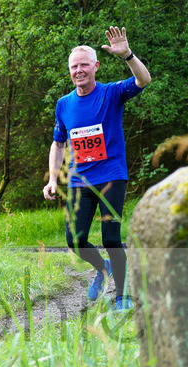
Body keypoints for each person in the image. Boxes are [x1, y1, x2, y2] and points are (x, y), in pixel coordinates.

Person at [43, 27, 151, 311]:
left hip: (111, 177)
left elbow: (144, 79)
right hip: (79, 181)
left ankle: (122, 296)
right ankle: (102, 269)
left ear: (96, 66)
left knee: (111, 237)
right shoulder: (63, 104)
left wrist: (127, 54)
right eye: (73, 66)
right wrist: (53, 178)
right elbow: (59, 143)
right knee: (75, 240)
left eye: (83, 65)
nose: (78, 70)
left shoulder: (112, 93)